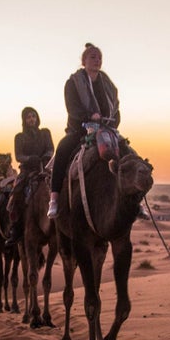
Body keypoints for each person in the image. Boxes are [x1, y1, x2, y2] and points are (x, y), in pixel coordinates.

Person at [48, 43, 119, 218]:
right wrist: (89, 116)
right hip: (79, 130)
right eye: (93, 57)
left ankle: (134, 201)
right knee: (63, 149)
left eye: (99, 57)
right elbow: (72, 108)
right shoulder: (73, 83)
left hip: (105, 130)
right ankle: (54, 199)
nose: (97, 61)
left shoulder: (109, 85)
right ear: (83, 61)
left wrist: (112, 123)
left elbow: (116, 108)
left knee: (126, 151)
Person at [5, 106, 54, 246]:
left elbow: (51, 148)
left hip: (44, 167)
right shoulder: (19, 137)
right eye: (28, 117)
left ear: (37, 118)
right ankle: (16, 229)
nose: (31, 119)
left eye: (33, 116)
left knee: (61, 186)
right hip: (27, 170)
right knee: (16, 195)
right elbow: (18, 156)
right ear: (24, 120)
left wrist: (46, 156)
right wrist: (29, 159)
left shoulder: (45, 133)